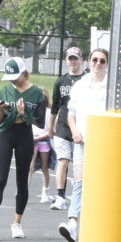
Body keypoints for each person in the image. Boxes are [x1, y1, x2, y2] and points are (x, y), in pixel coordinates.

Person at [0, 57, 50, 240]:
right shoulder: (4, 90)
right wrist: (0, 110)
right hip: (6, 134)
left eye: (15, 76)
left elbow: (40, 121)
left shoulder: (36, 94)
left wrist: (23, 113)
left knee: (21, 181)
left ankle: (17, 223)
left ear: (24, 72)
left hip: (24, 136)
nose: (12, 80)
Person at [55, 47, 112, 242]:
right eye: (95, 60)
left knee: (103, 185)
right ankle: (72, 222)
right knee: (79, 182)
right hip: (82, 143)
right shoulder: (80, 85)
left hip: (104, 145)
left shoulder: (111, 87)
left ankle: (101, 225)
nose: (98, 64)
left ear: (107, 64)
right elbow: (71, 112)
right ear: (89, 61)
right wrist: (75, 131)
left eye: (102, 61)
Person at [47, 46, 84, 207]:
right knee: (62, 159)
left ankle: (79, 194)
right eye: (70, 58)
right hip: (63, 125)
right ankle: (60, 195)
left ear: (81, 60)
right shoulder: (61, 81)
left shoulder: (86, 80)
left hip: (80, 125)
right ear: (66, 61)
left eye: (76, 58)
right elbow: (55, 106)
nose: (73, 61)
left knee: (79, 164)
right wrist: (50, 126)